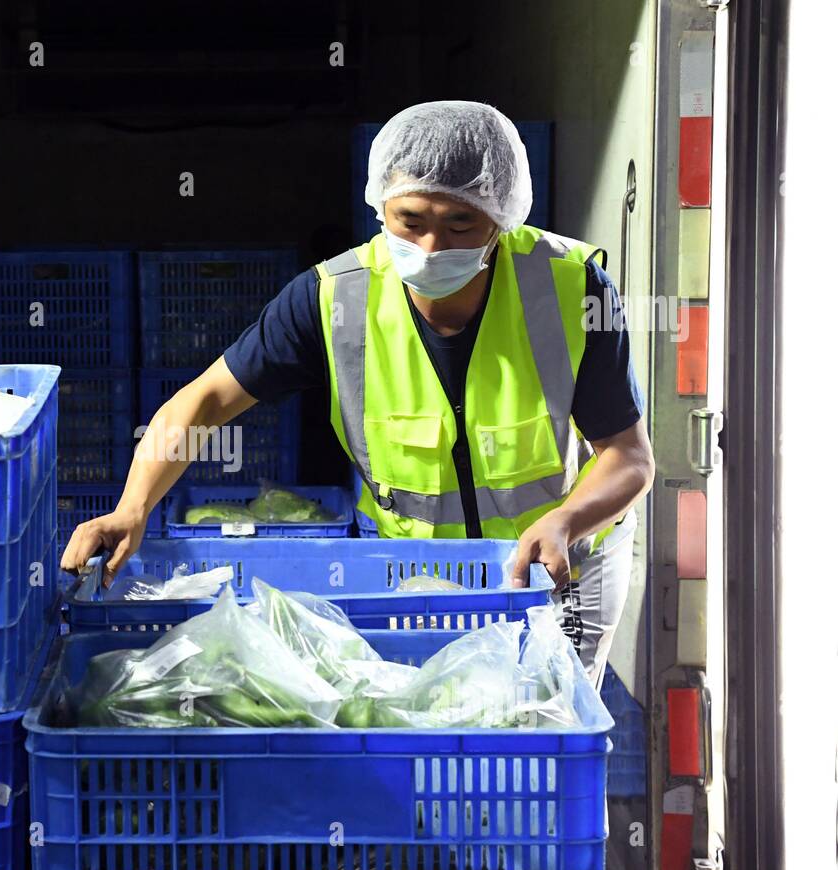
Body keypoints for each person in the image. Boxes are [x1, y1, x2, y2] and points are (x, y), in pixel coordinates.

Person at [61, 101, 655, 690]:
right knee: (435, 721)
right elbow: (206, 401)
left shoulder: (570, 286)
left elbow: (628, 457)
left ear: (502, 217)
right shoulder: (334, 299)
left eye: (461, 224)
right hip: (421, 574)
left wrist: (566, 521)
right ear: (380, 207)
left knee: (546, 734)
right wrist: (132, 507)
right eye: (411, 220)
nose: (431, 247)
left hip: (562, 566)